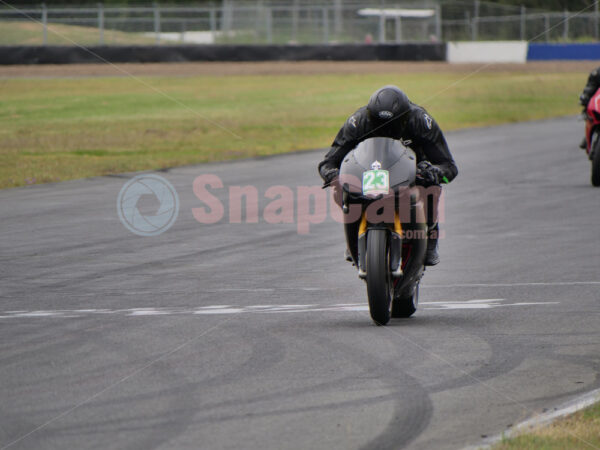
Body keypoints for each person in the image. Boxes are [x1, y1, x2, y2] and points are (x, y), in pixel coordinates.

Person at [318, 85, 458, 266]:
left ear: (405, 117)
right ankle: (352, 236)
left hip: (412, 174)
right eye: (378, 123)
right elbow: (328, 162)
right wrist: (333, 175)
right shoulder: (357, 121)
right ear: (369, 116)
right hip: (370, 173)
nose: (386, 129)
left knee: (432, 188)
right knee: (341, 186)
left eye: (393, 125)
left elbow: (450, 168)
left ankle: (431, 234)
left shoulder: (421, 121)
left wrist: (437, 173)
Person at [579, 67, 600, 149]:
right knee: (588, 113)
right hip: (597, 105)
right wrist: (585, 97)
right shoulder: (597, 74)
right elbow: (590, 87)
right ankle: (587, 137)